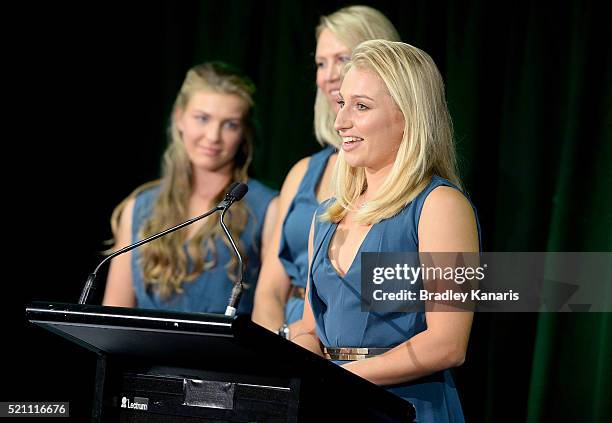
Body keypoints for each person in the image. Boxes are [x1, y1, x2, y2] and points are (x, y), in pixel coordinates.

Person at [293, 40, 481, 422]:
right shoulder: (327, 215)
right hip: (332, 405)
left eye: (361, 106)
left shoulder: (440, 206)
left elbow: (447, 344)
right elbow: (309, 328)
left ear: (408, 116)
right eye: (342, 103)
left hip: (408, 409)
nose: (341, 120)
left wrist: (339, 379)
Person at [252, 5, 400, 337]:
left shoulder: (407, 182)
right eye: (322, 63)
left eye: (343, 60)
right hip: (289, 339)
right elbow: (270, 289)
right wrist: (279, 353)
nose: (330, 74)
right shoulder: (303, 172)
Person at [102, 62, 277, 314]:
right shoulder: (139, 208)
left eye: (230, 124)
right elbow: (114, 317)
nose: (213, 136)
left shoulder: (268, 208)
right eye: (202, 118)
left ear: (244, 132)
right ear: (179, 117)